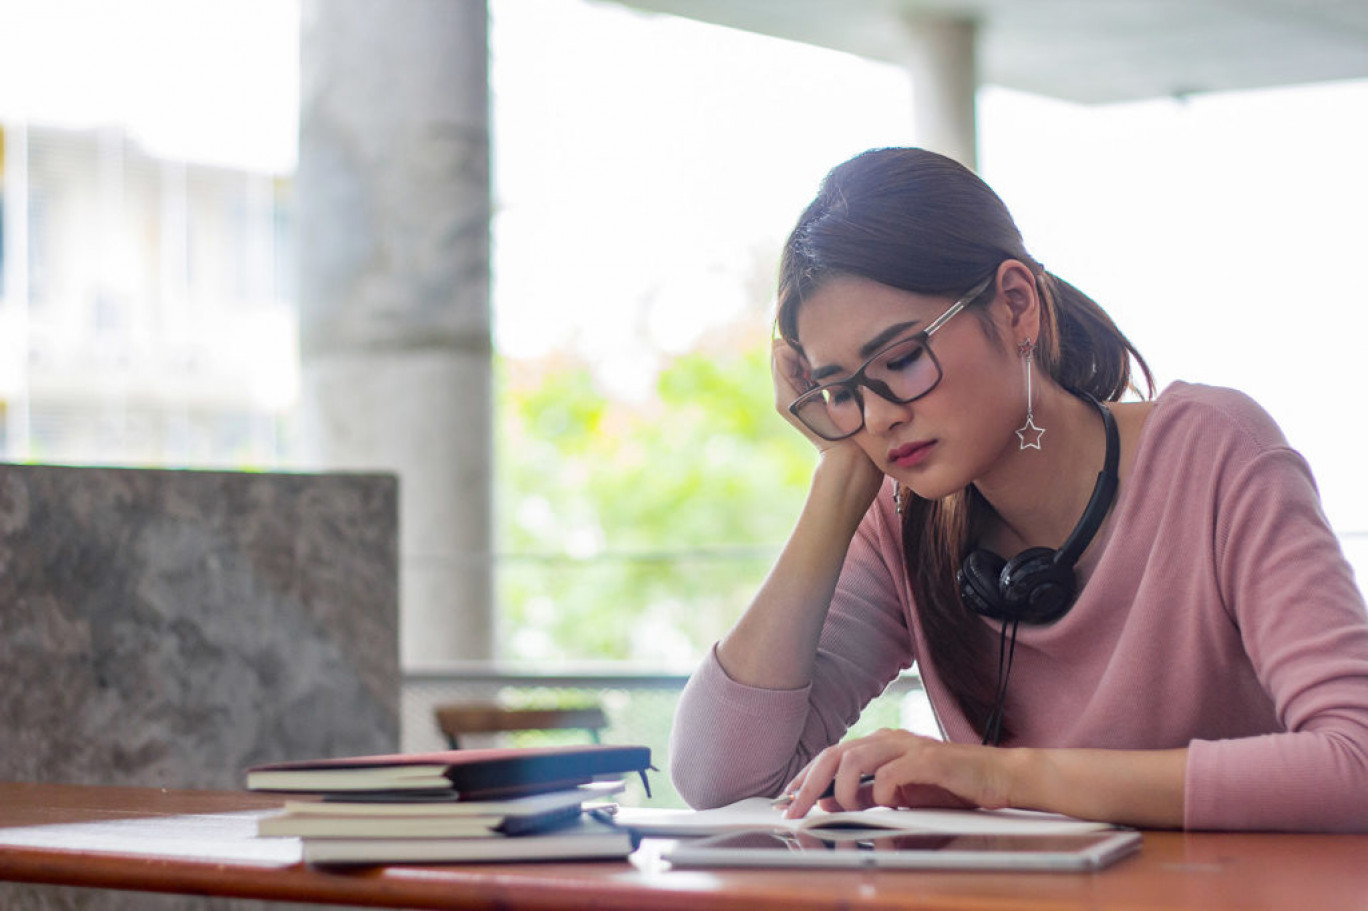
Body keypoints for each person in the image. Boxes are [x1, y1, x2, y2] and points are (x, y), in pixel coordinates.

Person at [668, 146, 1368, 832]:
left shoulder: (1216, 452)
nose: (878, 415)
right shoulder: (901, 516)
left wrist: (1002, 778)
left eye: (903, 358)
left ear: (1014, 304)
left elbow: (1357, 760)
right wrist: (841, 476)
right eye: (840, 388)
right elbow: (720, 778)